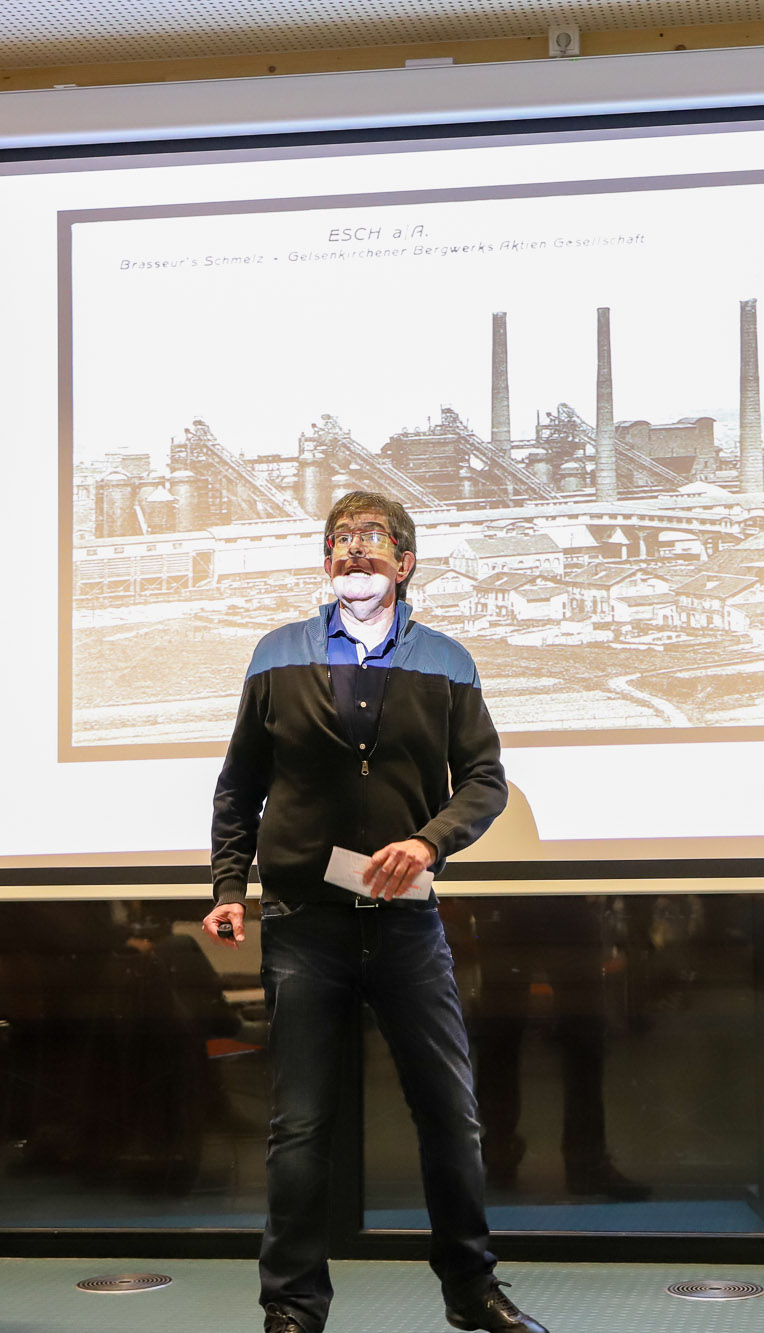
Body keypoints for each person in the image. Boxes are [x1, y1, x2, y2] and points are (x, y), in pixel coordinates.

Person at [202, 491, 547, 1333]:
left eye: (373, 541)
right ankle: (292, 1306)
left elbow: (485, 780)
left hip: (406, 923)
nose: (355, 554)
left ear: (406, 560)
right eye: (340, 542)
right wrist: (228, 887)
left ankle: (471, 1289)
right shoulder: (275, 654)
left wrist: (429, 842)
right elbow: (239, 785)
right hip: (303, 925)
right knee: (300, 1125)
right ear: (326, 562)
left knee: (450, 1113)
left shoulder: (449, 661)